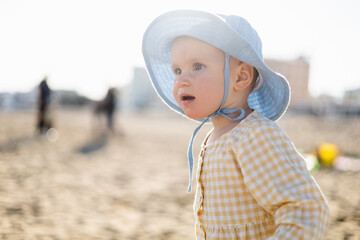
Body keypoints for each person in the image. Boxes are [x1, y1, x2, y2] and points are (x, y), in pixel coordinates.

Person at [142, 10, 330, 239]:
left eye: (198, 66)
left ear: (241, 77)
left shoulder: (255, 135)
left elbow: (307, 211)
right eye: (177, 70)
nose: (181, 80)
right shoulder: (214, 136)